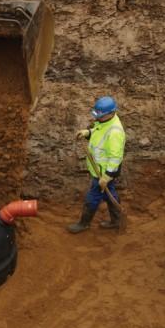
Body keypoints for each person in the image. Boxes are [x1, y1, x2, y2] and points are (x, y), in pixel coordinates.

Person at [68, 96, 126, 234]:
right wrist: (88, 133)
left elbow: (115, 157)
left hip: (103, 173)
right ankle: (117, 221)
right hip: (100, 171)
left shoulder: (115, 133)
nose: (97, 119)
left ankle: (84, 224)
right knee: (109, 194)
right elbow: (99, 131)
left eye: (101, 116)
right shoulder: (105, 121)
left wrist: (106, 177)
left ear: (111, 113)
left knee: (92, 198)